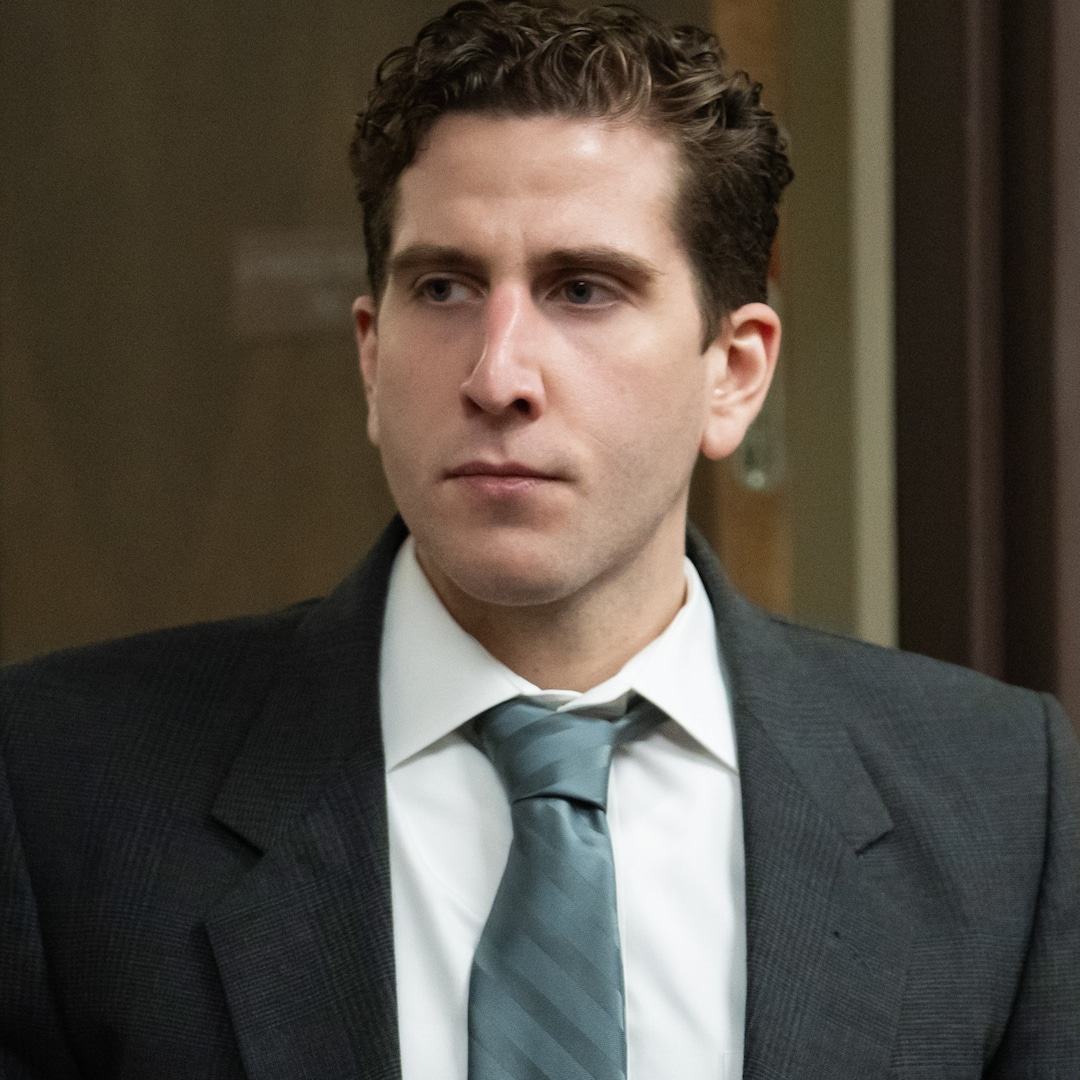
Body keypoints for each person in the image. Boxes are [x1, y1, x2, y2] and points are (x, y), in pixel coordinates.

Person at [2, 1, 1078, 1077]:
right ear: (371, 358)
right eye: (443, 287)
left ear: (735, 374)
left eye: (584, 289)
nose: (498, 374)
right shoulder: (59, 785)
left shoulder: (999, 799)